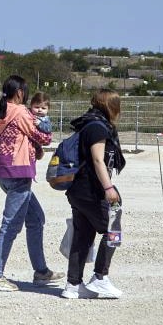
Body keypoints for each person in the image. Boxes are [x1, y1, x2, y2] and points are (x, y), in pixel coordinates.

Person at [0, 75, 64, 291]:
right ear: (19, 92)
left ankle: (41, 271)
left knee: (36, 219)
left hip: (4, 172)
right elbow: (44, 138)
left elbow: (21, 137)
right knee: (10, 225)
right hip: (19, 173)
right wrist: (44, 130)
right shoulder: (19, 111)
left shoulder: (0, 112)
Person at [61, 89, 127, 299]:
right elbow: (98, 160)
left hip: (77, 191)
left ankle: (73, 285)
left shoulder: (86, 124)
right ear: (112, 106)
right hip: (92, 190)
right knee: (113, 230)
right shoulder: (98, 128)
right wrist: (108, 188)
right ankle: (100, 277)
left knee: (83, 235)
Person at [29, 92, 52, 161]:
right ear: (31, 106)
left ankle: (39, 152)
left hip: (38, 141)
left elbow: (48, 129)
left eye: (43, 108)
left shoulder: (45, 119)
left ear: (48, 109)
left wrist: (40, 124)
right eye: (37, 107)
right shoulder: (28, 113)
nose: (40, 110)